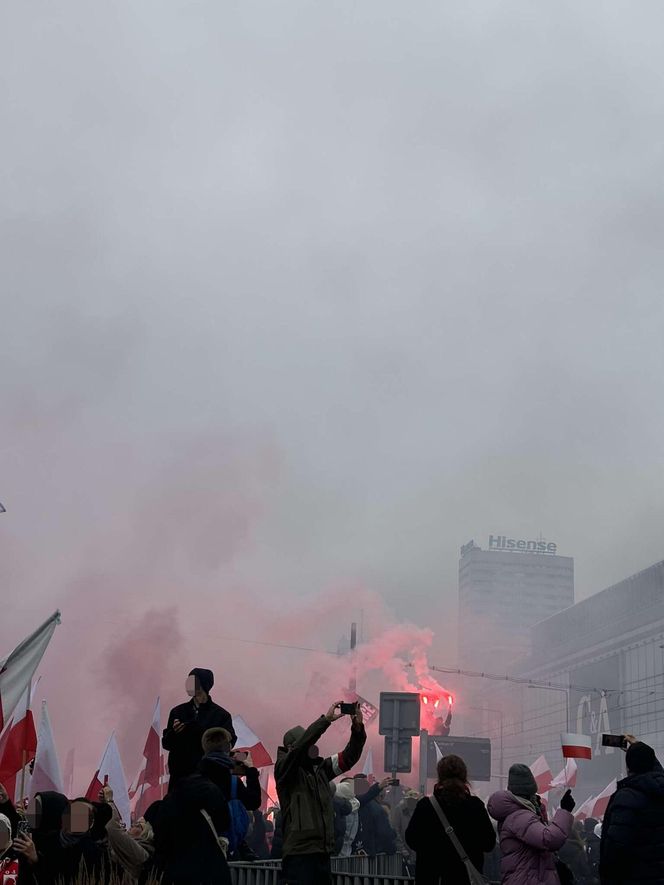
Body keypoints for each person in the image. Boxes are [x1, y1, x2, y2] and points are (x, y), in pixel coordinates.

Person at [275, 701, 366, 885]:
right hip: (299, 855)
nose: (311, 748)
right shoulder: (284, 771)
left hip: (322, 853)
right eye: (307, 744)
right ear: (293, 748)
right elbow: (300, 748)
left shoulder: (321, 769)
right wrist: (325, 721)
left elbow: (348, 757)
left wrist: (357, 730)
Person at [405, 754, 495, 884]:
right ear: (464, 776)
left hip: (431, 878)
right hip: (465, 879)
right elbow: (489, 843)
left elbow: (411, 839)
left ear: (440, 776)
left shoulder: (426, 806)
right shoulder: (475, 806)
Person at [488, 763, 574, 885]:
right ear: (528, 792)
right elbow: (549, 839)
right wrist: (564, 811)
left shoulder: (516, 815)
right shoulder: (520, 817)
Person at [600, 739, 664, 884]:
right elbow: (657, 776)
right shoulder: (660, 790)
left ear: (628, 767)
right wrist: (641, 749)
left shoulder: (626, 798)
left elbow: (615, 848)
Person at [162, 668, 236, 791]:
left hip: (210, 779)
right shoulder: (178, 712)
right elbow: (166, 743)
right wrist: (174, 733)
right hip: (180, 779)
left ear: (204, 685)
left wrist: (204, 733)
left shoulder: (221, 715)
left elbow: (229, 743)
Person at [354, 778, 397, 857]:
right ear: (380, 796)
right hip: (371, 852)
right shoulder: (377, 809)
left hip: (357, 850)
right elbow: (384, 833)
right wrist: (392, 849)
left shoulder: (357, 805)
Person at [392, 789, 419, 870]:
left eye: (413, 800)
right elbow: (395, 830)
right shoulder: (399, 809)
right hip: (405, 851)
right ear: (406, 800)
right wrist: (402, 848)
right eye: (409, 800)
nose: (411, 802)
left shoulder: (420, 809)